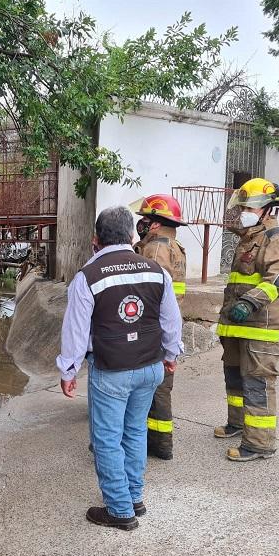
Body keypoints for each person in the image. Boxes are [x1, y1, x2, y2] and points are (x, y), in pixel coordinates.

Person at [57, 207, 183, 531]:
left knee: (107, 439)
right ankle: (134, 498)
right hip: (150, 366)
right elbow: (171, 321)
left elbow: (76, 330)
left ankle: (119, 510)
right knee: (136, 430)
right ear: (130, 237)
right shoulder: (157, 271)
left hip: (112, 370)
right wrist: (171, 354)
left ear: (95, 240)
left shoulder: (88, 276)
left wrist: (68, 370)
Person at [215, 178, 279, 462]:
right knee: (234, 378)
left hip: (259, 328)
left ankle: (260, 443)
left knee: (257, 383)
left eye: (250, 206)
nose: (245, 211)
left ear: (268, 210)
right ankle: (237, 423)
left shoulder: (277, 239)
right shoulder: (250, 238)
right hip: (237, 327)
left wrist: (250, 302)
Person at [133, 194, 187, 460]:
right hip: (168, 325)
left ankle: (158, 444)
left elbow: (149, 292)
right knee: (162, 387)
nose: (140, 223)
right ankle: (161, 443)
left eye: (144, 219)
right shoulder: (175, 246)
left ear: (155, 223)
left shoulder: (155, 249)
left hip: (154, 327)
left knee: (154, 389)